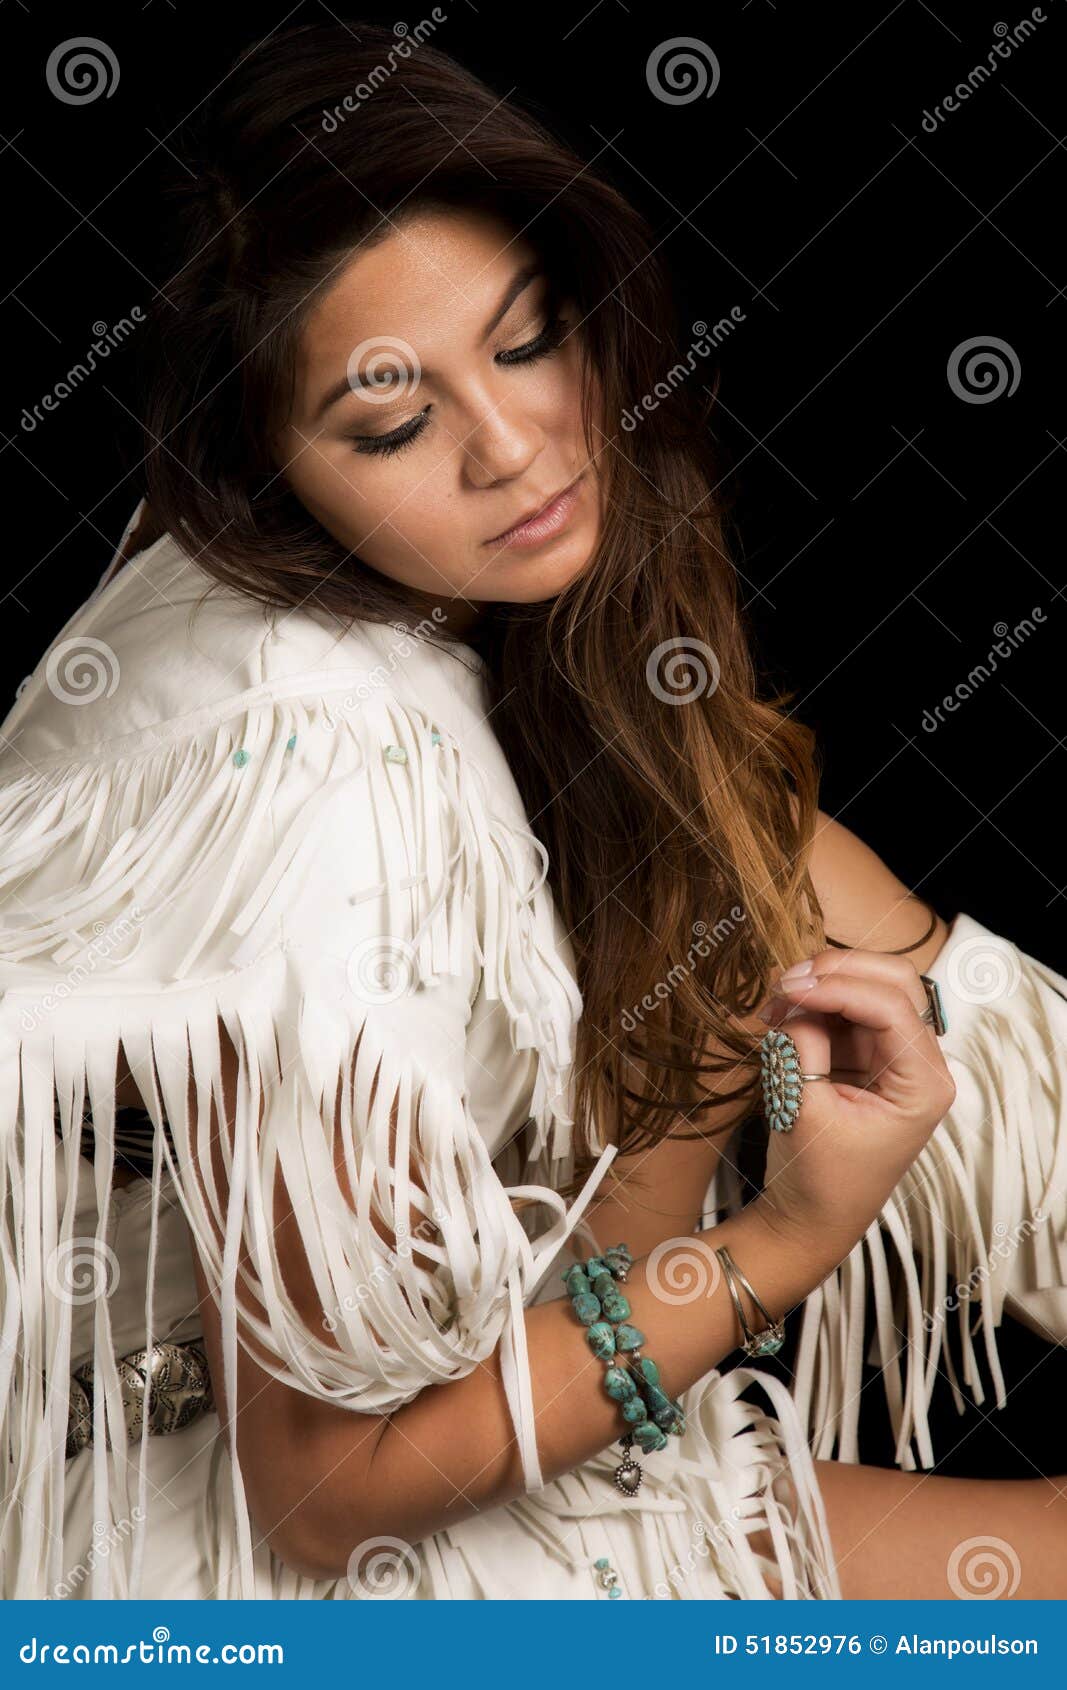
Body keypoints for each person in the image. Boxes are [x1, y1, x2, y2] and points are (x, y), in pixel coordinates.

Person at [1, 23, 1065, 1602]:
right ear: (255, 472)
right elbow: (326, 1496)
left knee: (749, 864)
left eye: (528, 340)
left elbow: (558, 1289)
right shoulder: (316, 771)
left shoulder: (507, 652)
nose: (512, 448)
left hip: (341, 1466)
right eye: (388, 423)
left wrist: (694, 1068)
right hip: (181, 1553)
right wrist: (780, 1238)